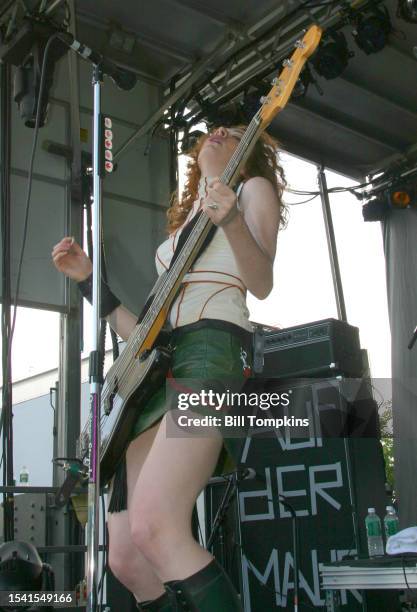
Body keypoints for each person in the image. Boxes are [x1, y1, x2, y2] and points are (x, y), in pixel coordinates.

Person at [52, 125, 286, 611]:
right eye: (213, 129)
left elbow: (261, 283)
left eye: (233, 131)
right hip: (158, 369)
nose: (217, 130)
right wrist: (89, 281)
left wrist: (234, 222)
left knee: (156, 524)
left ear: (251, 150)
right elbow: (141, 332)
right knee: (127, 559)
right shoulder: (181, 230)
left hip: (212, 350)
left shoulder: (251, 190)